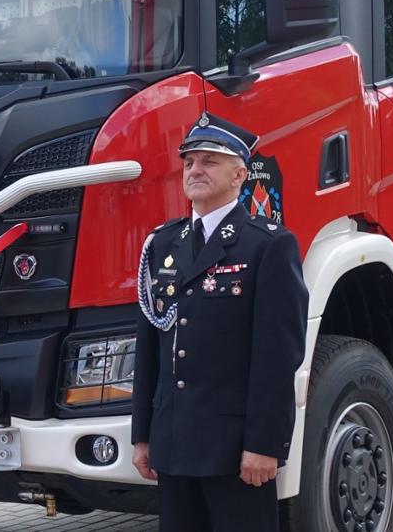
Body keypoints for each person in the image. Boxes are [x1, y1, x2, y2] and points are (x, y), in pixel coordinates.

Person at [131, 113, 307, 531]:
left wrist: (264, 445)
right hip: (173, 444)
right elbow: (149, 346)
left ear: (239, 173)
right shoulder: (162, 244)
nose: (195, 170)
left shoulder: (268, 245)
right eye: (189, 161)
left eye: (209, 161)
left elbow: (277, 357)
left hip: (235, 452)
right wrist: (143, 434)